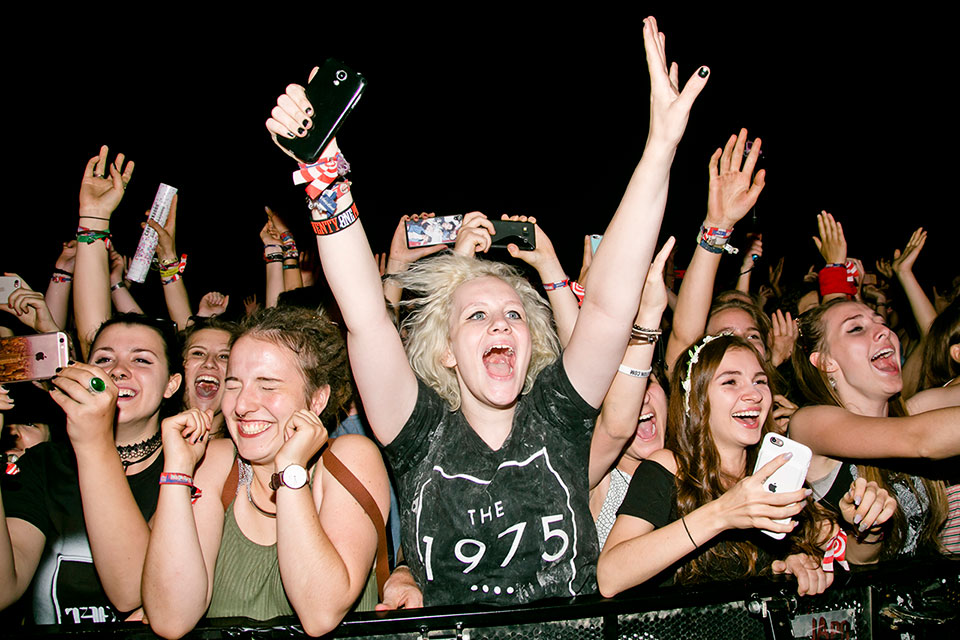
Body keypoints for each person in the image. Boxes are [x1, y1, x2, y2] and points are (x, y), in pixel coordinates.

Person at [264, 15, 708, 605]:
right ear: (444, 350)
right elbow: (366, 316)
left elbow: (606, 309)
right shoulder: (416, 432)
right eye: (475, 316)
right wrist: (322, 176)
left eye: (514, 315)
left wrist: (660, 148)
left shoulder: (559, 416)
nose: (500, 323)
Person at [142, 306, 390, 639]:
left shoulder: (349, 458)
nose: (241, 405)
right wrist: (177, 472)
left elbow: (320, 612)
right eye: (233, 385)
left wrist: (290, 469)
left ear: (317, 400)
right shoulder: (214, 463)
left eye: (267, 386)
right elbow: (171, 619)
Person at [598, 335, 833, 598]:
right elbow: (610, 576)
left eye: (760, 381)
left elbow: (832, 553)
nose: (754, 394)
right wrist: (722, 513)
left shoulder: (777, 471)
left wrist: (796, 565)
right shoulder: (669, 468)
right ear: (695, 400)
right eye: (731, 381)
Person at [0, 314, 183, 624]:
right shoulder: (44, 464)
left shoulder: (186, 466)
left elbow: (134, 592)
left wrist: (93, 439)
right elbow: (4, 590)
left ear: (171, 384)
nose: (118, 371)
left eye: (141, 360)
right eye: (104, 358)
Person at [790, 298, 958, 561]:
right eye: (856, 328)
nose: (884, 330)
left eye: (880, 322)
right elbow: (922, 439)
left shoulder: (911, 413)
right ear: (825, 362)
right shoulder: (810, 424)